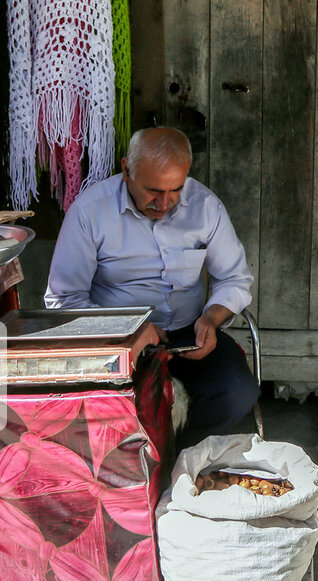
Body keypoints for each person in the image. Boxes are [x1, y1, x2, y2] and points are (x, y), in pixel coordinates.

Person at [44, 127, 259, 446]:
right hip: (116, 340)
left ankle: (177, 459)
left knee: (237, 394)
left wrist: (211, 319)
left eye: (175, 190)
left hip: (188, 335)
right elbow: (63, 299)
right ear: (126, 169)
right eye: (153, 191)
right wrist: (129, 329)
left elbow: (234, 278)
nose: (165, 203)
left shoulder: (204, 206)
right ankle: (139, 466)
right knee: (106, 412)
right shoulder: (91, 212)